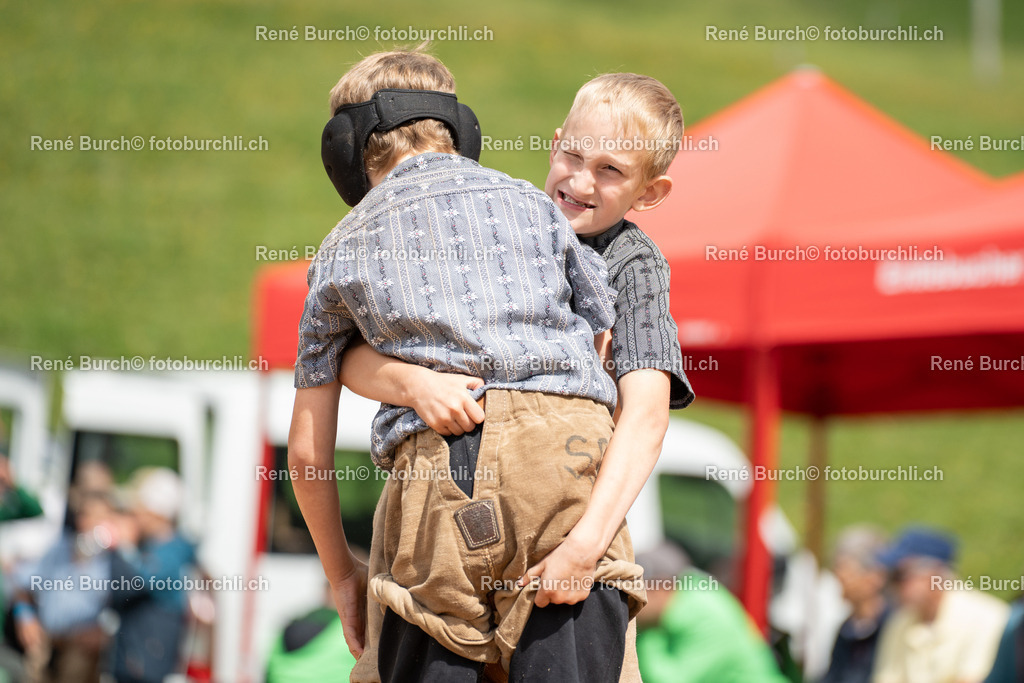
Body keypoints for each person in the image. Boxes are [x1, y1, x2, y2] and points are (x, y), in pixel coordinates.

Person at [289, 48, 652, 683]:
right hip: (564, 465)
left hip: (441, 479)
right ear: (459, 126)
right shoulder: (534, 205)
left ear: (346, 149)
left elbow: (306, 451)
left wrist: (342, 575)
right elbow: (601, 332)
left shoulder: (341, 245)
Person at [633, 541, 788, 682]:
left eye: (636, 590)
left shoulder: (705, 615)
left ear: (662, 589)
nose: (629, 601)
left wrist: (643, 635)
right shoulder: (690, 602)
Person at [872, 527, 1009, 683]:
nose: (892, 586)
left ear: (934, 573)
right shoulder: (899, 622)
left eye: (899, 576)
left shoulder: (987, 618)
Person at [106, 467, 196, 683]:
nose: (135, 515)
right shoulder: (159, 548)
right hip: (138, 661)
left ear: (157, 513)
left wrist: (124, 546)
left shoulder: (170, 552)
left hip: (145, 665)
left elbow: (133, 583)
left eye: (140, 509)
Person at [822, 525, 891, 683]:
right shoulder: (846, 629)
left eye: (844, 568)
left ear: (875, 575)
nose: (838, 577)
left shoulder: (894, 626)